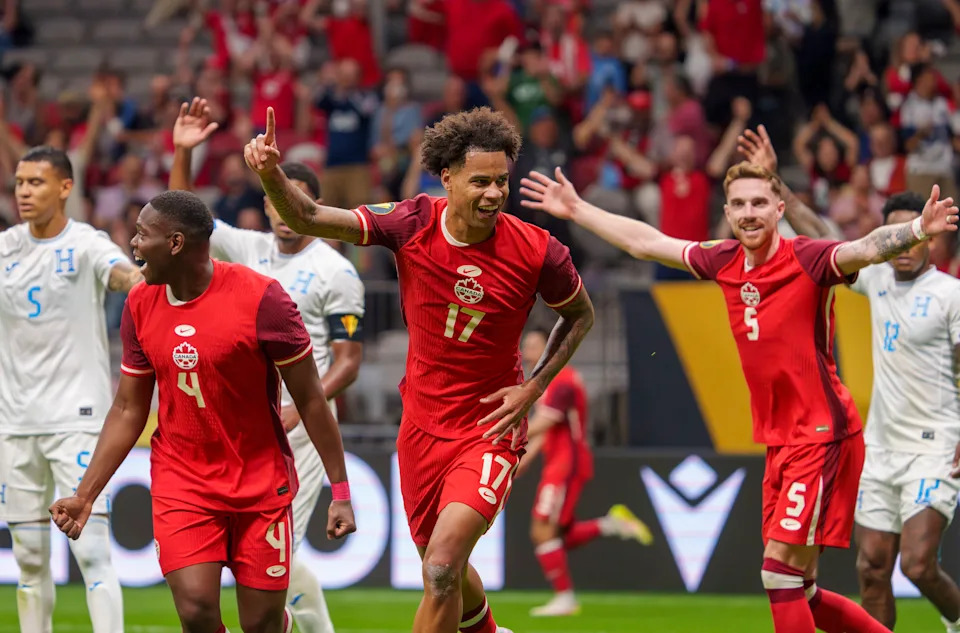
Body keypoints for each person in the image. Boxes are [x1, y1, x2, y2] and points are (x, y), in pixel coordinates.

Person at [521, 156, 958, 633]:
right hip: (780, 442)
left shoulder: (808, 258)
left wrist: (917, 228)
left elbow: (867, 248)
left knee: (779, 572)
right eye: (739, 205)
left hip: (821, 435)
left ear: (778, 208)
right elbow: (647, 243)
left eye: (758, 203)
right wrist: (578, 209)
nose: (749, 212)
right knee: (801, 590)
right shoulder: (723, 259)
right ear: (728, 213)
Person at [245, 106, 594, 633]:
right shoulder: (412, 222)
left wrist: (535, 387)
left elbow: (579, 315)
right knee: (444, 563)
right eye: (481, 181)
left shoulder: (538, 250)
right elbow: (309, 218)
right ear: (447, 178)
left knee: (440, 566)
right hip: (422, 428)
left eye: (502, 180)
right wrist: (271, 173)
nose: (495, 193)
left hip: (489, 429)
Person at [48, 190, 356, 633]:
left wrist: (340, 490)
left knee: (262, 624)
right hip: (183, 482)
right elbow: (127, 407)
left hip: (259, 483)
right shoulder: (139, 304)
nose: (132, 244)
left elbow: (310, 399)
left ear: (175, 244)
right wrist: (86, 493)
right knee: (195, 610)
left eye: (142, 234)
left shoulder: (263, 299)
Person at [736, 127, 960, 633]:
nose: (905, 245)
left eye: (914, 234)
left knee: (917, 565)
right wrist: (774, 180)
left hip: (936, 444)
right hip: (881, 447)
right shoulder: (877, 277)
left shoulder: (949, 294)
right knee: (871, 568)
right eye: (896, 235)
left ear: (930, 236)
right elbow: (817, 232)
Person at [168, 98, 364, 633]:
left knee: (278, 552)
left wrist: (304, 407)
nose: (281, 211)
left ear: (312, 203)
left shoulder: (334, 271)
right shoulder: (247, 246)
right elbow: (180, 218)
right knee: (271, 559)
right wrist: (185, 150)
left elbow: (348, 360)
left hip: (298, 424)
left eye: (292, 200)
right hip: (246, 421)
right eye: (273, 200)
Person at [0, 146, 143, 633]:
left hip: (77, 423)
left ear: (65, 187)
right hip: (16, 426)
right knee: (30, 564)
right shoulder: (5, 249)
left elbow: (123, 275)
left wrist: (142, 278)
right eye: (19, 182)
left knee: (93, 556)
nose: (23, 191)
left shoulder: (85, 243)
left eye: (36, 182)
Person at [518, 328, 653, 617]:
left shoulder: (561, 381)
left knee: (542, 530)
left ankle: (565, 598)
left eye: (533, 345)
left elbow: (541, 424)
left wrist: (505, 432)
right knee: (559, 534)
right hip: (560, 461)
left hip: (567, 464)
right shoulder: (547, 382)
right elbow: (547, 427)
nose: (525, 350)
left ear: (549, 349)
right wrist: (525, 459)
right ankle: (611, 525)